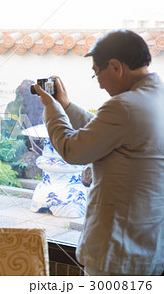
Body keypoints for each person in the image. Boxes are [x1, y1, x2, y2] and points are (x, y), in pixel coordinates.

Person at [33, 30, 164, 276]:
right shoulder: (153, 99)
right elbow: (105, 132)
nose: (100, 82)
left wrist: (52, 108)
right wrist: (67, 107)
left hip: (118, 253)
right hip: (148, 245)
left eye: (97, 73)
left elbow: (73, 151)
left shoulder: (124, 106)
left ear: (115, 67)